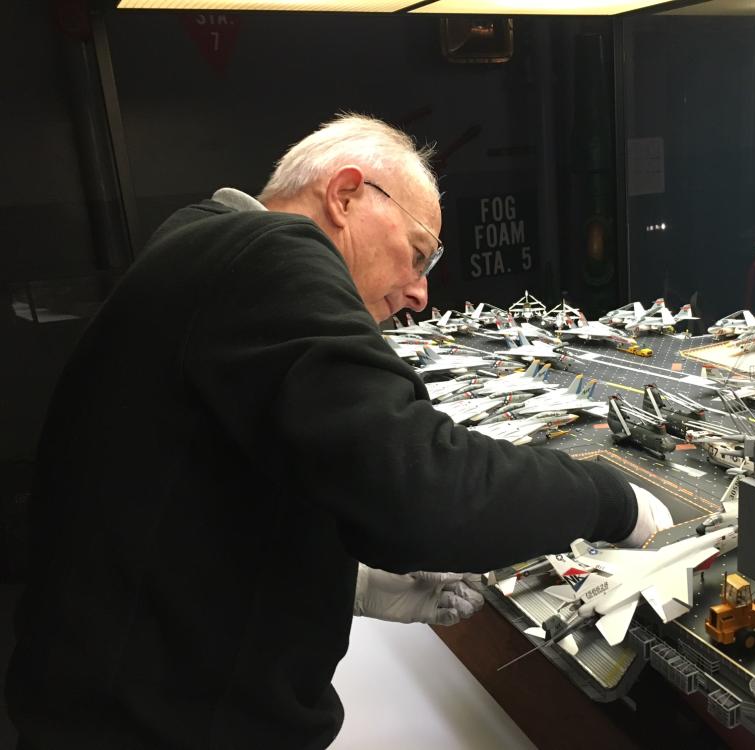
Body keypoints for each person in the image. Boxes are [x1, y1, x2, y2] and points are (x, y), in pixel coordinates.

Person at [6, 113, 672, 750]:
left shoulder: (197, 243)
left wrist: (349, 584)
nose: (420, 294)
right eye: (418, 255)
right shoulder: (267, 250)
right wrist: (611, 500)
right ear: (347, 195)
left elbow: (190, 497)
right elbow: (424, 487)